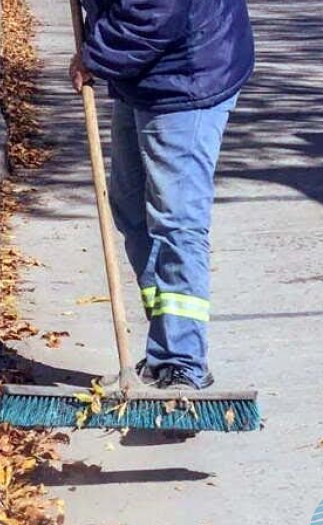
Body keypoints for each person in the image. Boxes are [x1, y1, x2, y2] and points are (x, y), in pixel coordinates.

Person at [70, 0, 255, 390]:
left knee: (176, 221)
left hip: (186, 72)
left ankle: (183, 361)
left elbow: (156, 10)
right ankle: (163, 352)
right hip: (144, 71)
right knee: (132, 211)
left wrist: (97, 54)